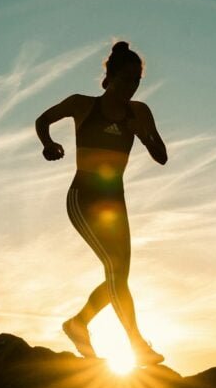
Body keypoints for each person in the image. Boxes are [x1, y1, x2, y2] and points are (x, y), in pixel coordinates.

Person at [35, 40, 168, 366]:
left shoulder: (140, 112)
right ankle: (136, 344)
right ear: (109, 78)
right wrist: (49, 144)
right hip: (83, 197)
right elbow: (43, 120)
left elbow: (161, 156)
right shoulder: (82, 105)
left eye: (137, 81)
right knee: (115, 270)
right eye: (126, 79)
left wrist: (143, 134)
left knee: (118, 274)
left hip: (114, 203)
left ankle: (78, 324)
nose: (132, 87)